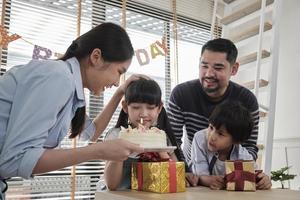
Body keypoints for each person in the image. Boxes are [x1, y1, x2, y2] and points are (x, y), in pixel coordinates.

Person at [0, 22, 144, 198]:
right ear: (96, 56)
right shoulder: (57, 77)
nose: (116, 82)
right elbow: (13, 160)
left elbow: (91, 133)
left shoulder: (70, 89)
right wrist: (99, 151)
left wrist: (119, 93)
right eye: (119, 72)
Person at [167, 38, 260, 185]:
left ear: (233, 69)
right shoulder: (181, 94)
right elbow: (171, 143)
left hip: (229, 178)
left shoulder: (247, 100)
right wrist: (183, 172)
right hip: (191, 173)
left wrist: (240, 178)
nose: (209, 73)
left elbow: (248, 147)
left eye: (218, 68)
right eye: (204, 66)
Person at [102, 78, 185, 190]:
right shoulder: (116, 135)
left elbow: (175, 178)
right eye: (136, 107)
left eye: (150, 108)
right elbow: (112, 185)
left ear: (159, 108)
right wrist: (121, 148)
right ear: (125, 107)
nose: (143, 114)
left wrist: (161, 151)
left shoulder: (160, 136)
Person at [190, 100, 272, 190]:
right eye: (211, 127)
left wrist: (263, 179)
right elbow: (200, 174)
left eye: (220, 134)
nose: (212, 136)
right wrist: (206, 180)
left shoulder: (242, 155)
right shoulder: (200, 138)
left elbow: (254, 174)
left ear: (236, 141)